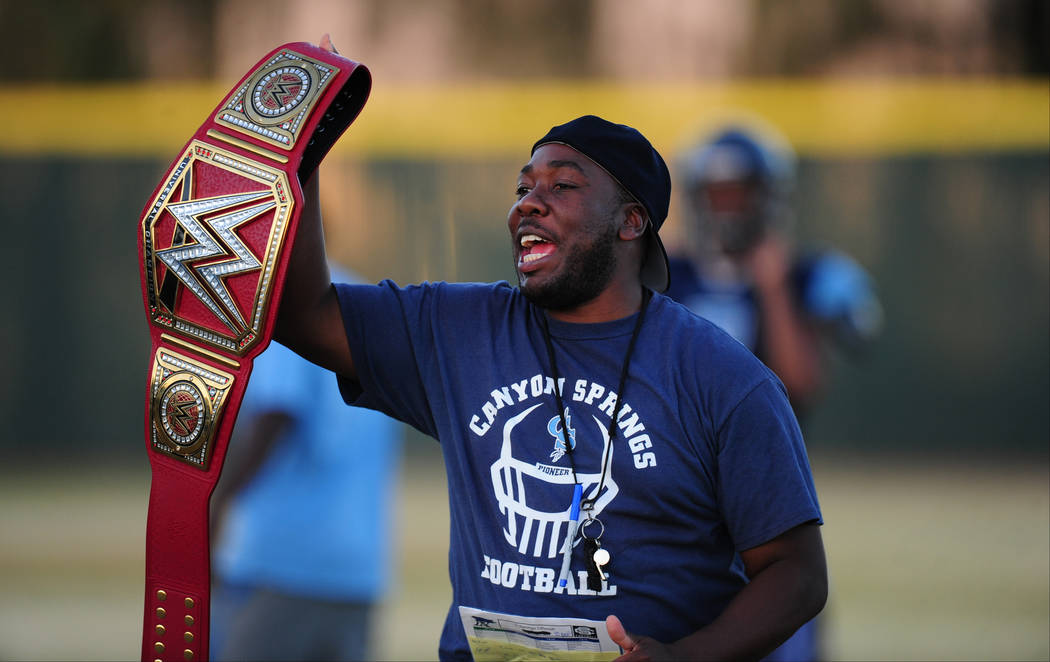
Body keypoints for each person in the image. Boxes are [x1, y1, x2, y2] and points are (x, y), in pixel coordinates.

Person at [275, 34, 827, 662]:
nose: (528, 203)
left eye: (562, 186)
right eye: (522, 187)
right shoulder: (457, 328)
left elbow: (797, 572)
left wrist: (686, 657)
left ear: (630, 222)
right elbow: (304, 313)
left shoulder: (723, 377)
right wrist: (304, 154)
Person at [666, 121, 884, 660]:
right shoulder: (667, 272)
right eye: (716, 194)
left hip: (767, 501)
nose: (728, 208)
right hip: (678, 500)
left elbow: (802, 384)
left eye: (739, 193)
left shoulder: (803, 273)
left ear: (769, 198)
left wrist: (774, 286)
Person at [209, 266, 403, 662]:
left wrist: (215, 503)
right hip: (358, 567)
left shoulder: (285, 301)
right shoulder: (368, 302)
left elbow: (277, 413)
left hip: (282, 564)